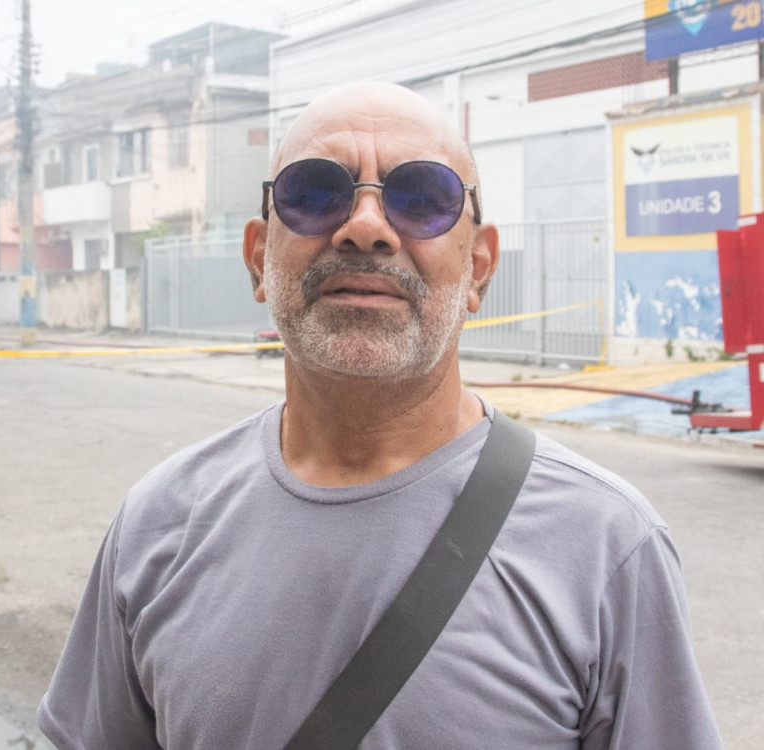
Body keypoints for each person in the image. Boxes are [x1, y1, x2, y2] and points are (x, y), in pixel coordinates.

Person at [37, 82, 722, 749]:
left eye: (421, 199)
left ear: (480, 268)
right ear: (256, 258)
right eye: (314, 194)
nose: (365, 228)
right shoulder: (157, 524)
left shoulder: (607, 545)